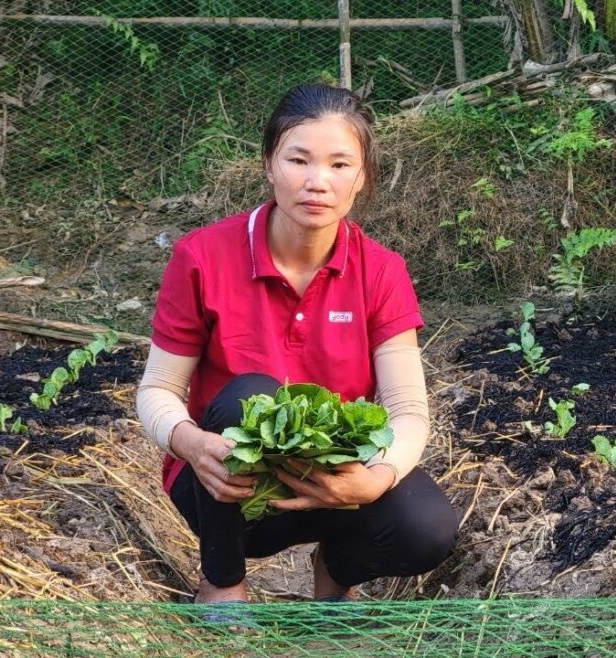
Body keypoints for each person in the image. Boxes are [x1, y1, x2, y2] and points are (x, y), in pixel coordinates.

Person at [135, 83, 457, 608]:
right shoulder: (203, 257)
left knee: (427, 528)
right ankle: (222, 581)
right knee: (250, 397)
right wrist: (190, 443)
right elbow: (157, 389)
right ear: (268, 164)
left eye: (338, 164)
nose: (316, 182)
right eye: (298, 159)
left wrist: (375, 481)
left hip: (333, 482)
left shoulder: (381, 271)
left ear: (362, 178)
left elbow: (407, 411)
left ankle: (335, 568)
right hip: (227, 488)